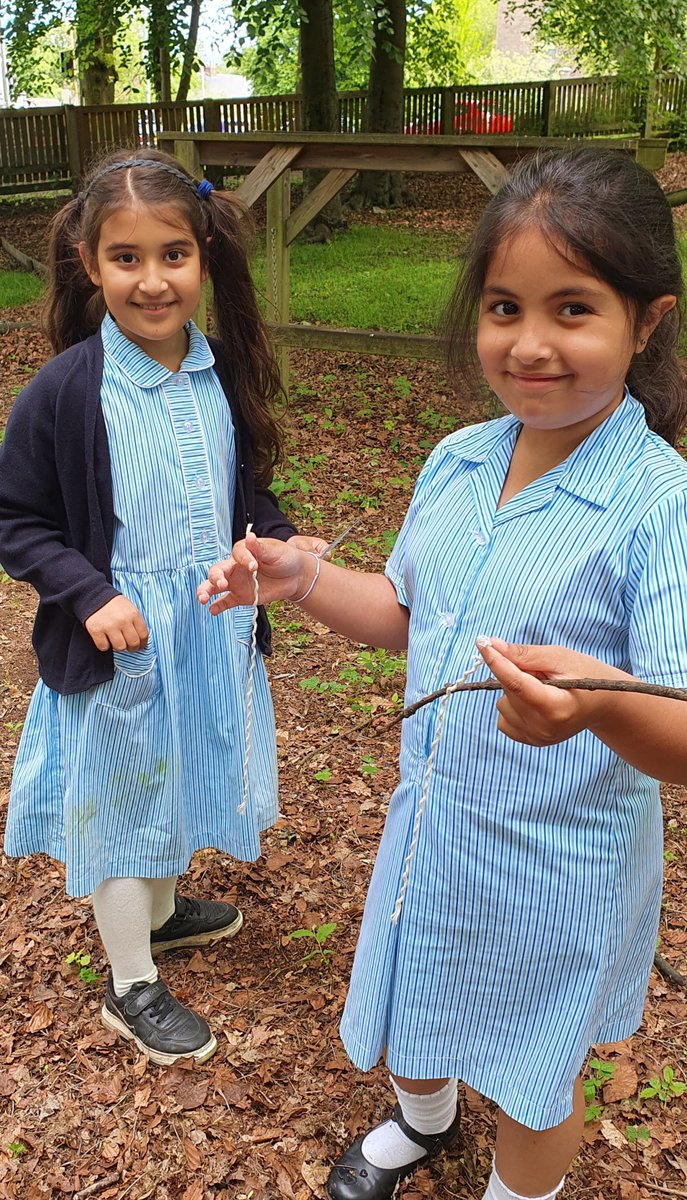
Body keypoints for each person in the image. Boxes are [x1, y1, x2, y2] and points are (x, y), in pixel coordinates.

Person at [198, 148, 687, 1200]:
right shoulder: (459, 461)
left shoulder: (659, 504)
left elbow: (682, 727)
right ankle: (421, 1122)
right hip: (437, 828)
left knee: (531, 1076)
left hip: (560, 870)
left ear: (646, 322)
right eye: (506, 306)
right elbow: (409, 615)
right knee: (415, 990)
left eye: (574, 309)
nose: (532, 343)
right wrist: (301, 580)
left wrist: (591, 705)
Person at [0, 148, 324, 1068]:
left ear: (205, 256)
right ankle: (130, 979)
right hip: (121, 643)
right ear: (90, 265)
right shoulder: (67, 392)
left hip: (208, 630)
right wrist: (89, 593)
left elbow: (243, 493)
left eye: (172, 255)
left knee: (181, 770)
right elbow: (17, 520)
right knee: (123, 794)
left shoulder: (221, 373)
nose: (152, 281)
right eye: (126, 258)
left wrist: (277, 540)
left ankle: (168, 911)